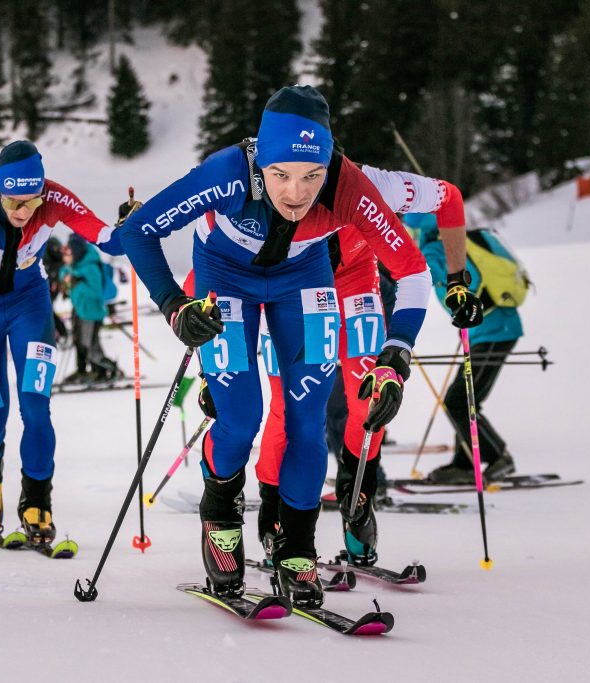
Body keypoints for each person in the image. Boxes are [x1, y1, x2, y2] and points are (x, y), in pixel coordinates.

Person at [118, 85, 431, 607]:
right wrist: (175, 306)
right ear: (261, 160)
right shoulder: (226, 173)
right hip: (225, 279)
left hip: (304, 281)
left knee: (307, 419)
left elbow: (413, 272)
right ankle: (221, 521)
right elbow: (138, 232)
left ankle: (297, 548)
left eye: (311, 175)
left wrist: (395, 355)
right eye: (281, 174)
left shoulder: (348, 186)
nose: (296, 192)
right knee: (241, 418)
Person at [253, 165, 480, 566]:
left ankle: (357, 498)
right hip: (292, 293)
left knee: (370, 399)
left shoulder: (376, 186)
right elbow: (214, 250)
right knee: (287, 408)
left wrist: (458, 280)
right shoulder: (266, 188)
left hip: (356, 288)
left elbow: (449, 197)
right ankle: (274, 512)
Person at [0, 139, 122, 545]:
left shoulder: (53, 197)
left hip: (29, 305)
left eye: (31, 202)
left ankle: (36, 503)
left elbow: (106, 237)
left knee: (35, 406)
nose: (22, 211)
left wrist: (132, 224)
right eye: (12, 201)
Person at [407, 214, 523, 484]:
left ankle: (499, 457)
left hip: (494, 331)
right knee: (462, 399)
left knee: (460, 400)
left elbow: (419, 275)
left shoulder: (435, 249)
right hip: (489, 329)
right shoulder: (450, 242)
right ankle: (466, 462)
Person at [60, 234, 122, 383]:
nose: (68, 252)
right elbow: (66, 278)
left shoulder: (90, 266)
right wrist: (68, 279)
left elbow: (96, 292)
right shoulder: (76, 265)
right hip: (80, 310)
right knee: (80, 342)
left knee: (90, 345)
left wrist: (76, 283)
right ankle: (89, 371)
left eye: (70, 249)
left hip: (92, 312)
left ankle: (108, 369)